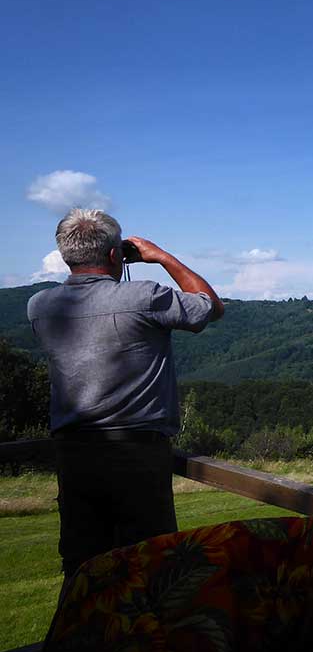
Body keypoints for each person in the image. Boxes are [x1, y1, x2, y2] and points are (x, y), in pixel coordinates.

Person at [27, 208, 224, 581]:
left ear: (66, 256)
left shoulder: (40, 306)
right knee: (150, 565)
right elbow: (210, 307)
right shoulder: (143, 297)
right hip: (137, 452)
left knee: (83, 566)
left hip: (73, 453)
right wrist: (161, 256)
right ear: (115, 254)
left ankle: (80, 619)